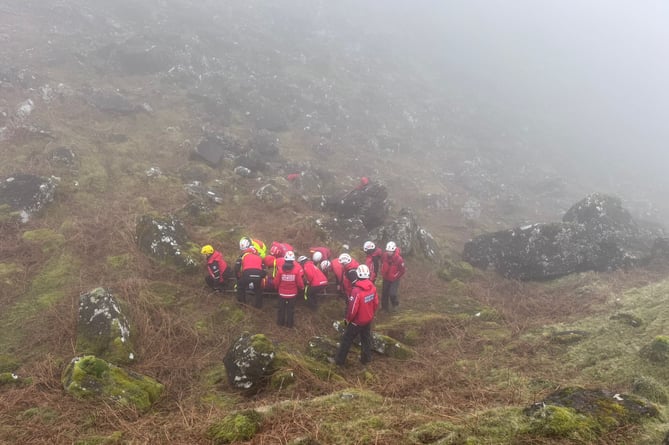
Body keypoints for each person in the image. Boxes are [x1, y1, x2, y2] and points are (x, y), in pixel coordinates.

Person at [334, 264, 379, 366]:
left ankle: (339, 361)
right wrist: (370, 314)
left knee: (346, 340)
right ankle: (366, 358)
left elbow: (352, 309)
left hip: (357, 322)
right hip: (368, 319)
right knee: (366, 338)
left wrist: (347, 319)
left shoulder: (356, 290)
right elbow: (376, 303)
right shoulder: (372, 287)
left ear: (357, 275)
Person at [234, 238, 265, 308]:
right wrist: (261, 277)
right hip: (258, 274)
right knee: (258, 289)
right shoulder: (258, 255)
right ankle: (258, 307)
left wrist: (238, 278)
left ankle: (242, 305)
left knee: (240, 287)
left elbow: (236, 268)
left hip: (247, 274)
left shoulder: (243, 256)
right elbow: (263, 268)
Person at [276, 251, 304, 327]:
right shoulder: (296, 270)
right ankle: (289, 324)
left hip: (281, 293)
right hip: (292, 294)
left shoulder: (280, 270)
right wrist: (302, 288)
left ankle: (280, 323)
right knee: (290, 310)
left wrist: (276, 288)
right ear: (293, 260)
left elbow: (276, 282)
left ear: (285, 259)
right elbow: (299, 283)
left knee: (281, 309)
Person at [380, 241, 406, 312]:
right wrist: (383, 271)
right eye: (388, 251)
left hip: (395, 279)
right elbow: (382, 262)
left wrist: (395, 276)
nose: (389, 252)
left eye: (391, 251)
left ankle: (395, 304)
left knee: (392, 293)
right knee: (384, 293)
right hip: (386, 278)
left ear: (394, 250)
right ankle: (384, 308)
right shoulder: (384, 255)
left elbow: (402, 270)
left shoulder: (399, 259)